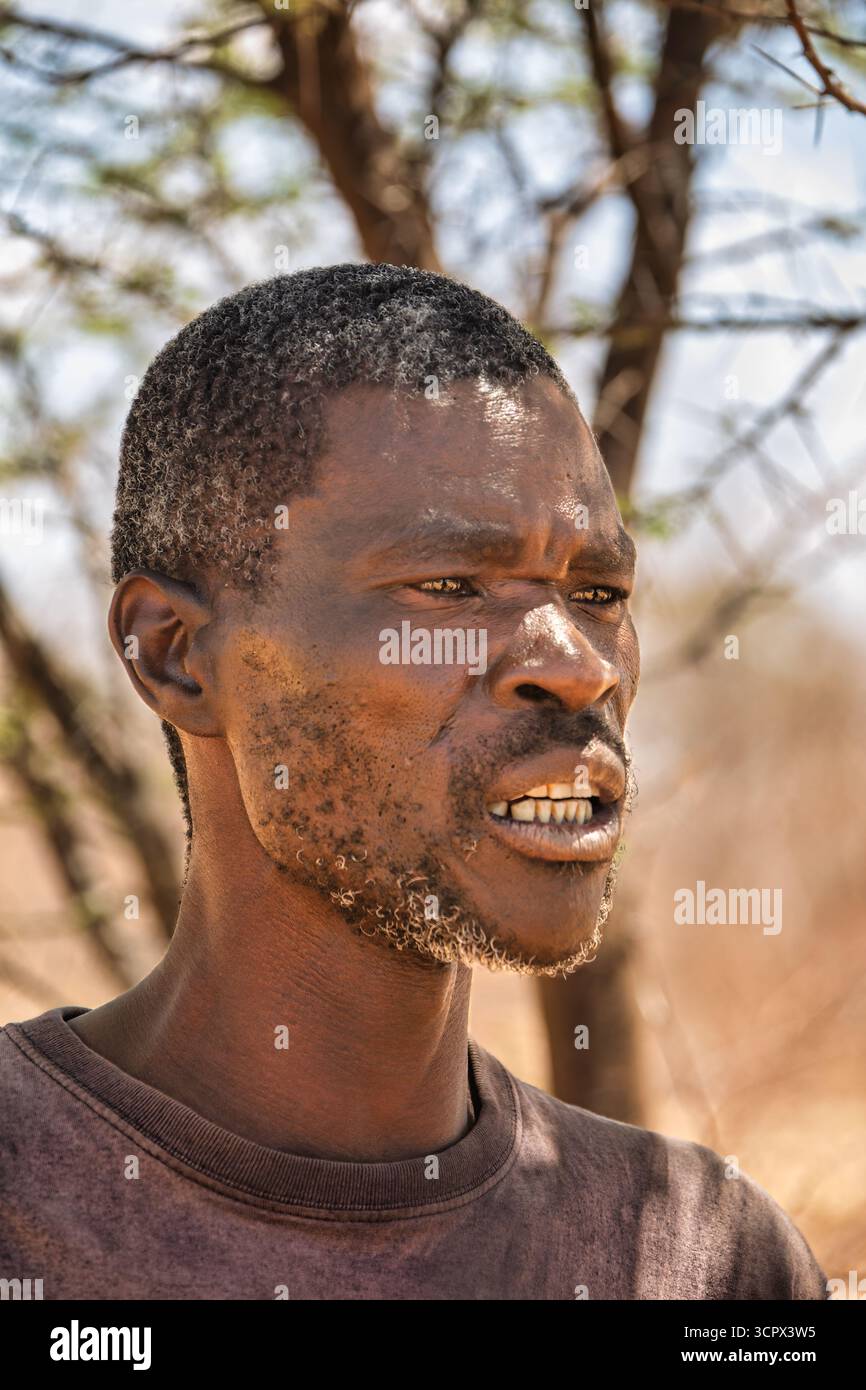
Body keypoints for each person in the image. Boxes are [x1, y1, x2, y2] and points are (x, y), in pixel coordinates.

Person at [0, 264, 826, 1299]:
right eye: (447, 586)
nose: (578, 664)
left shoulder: (700, 1260)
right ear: (175, 654)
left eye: (598, 591)